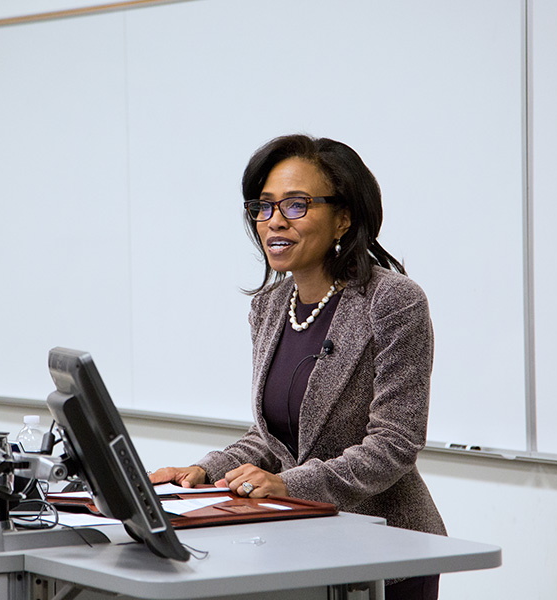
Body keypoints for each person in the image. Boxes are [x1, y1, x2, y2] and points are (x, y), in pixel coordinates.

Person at [150, 134, 446, 600]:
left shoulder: (392, 302)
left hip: (388, 550)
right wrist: (205, 471)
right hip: (303, 546)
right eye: (264, 207)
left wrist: (288, 485)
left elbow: (394, 444)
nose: (273, 223)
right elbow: (273, 439)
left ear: (343, 218)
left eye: (296, 205)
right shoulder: (270, 307)